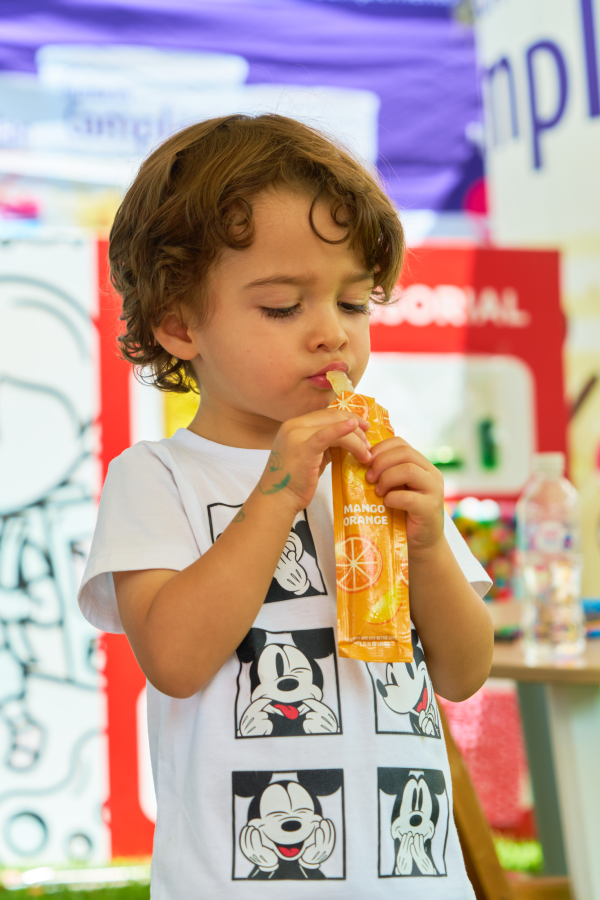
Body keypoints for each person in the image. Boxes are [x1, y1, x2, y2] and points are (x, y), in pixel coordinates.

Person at [78, 114, 493, 897]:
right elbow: (174, 660)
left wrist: (431, 545)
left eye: (354, 303)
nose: (331, 335)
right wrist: (276, 494)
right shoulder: (158, 477)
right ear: (179, 325)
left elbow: (465, 672)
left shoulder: (376, 466)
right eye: (282, 307)